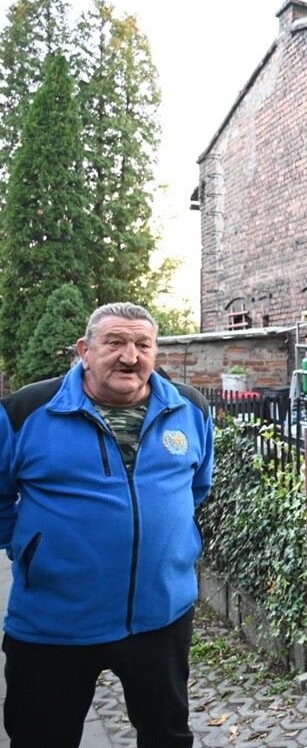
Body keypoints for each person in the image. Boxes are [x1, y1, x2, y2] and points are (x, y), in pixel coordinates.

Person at [0, 302, 214, 748]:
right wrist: (31, 547)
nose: (130, 356)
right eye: (115, 342)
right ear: (84, 349)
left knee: (167, 737)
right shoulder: (25, 412)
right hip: (54, 622)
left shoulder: (191, 409)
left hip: (160, 617)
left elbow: (197, 486)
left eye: (142, 345)